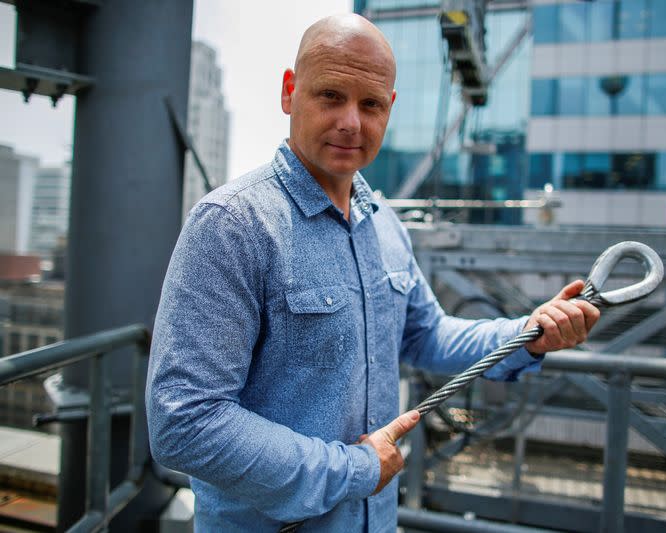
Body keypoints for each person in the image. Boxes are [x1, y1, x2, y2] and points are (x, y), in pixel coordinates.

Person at [146, 13, 600, 533]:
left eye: (370, 104)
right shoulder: (232, 226)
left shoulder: (385, 226)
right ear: (289, 92)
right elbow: (185, 421)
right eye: (331, 96)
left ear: (391, 109)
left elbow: (427, 335)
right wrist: (355, 470)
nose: (351, 123)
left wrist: (527, 334)